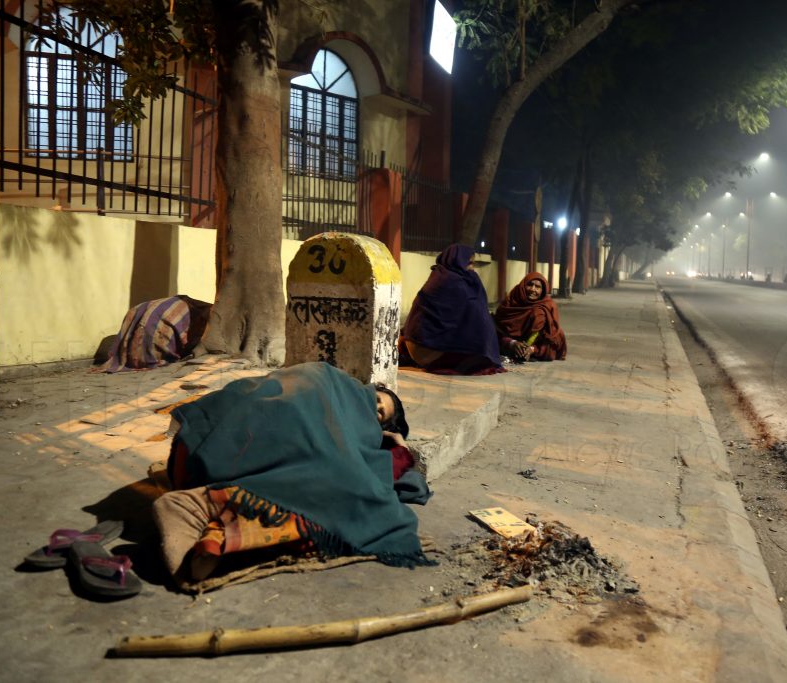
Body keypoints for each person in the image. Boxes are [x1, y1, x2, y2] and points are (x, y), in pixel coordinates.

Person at [152, 362, 431, 586]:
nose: (375, 409)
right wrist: (401, 452)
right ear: (371, 390)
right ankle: (207, 510)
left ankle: (218, 539)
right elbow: (375, 476)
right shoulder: (332, 382)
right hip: (208, 460)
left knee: (308, 483)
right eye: (379, 401)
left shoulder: (337, 402)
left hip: (189, 458)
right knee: (344, 501)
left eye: (381, 415)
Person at [398, 244, 504, 375]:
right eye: (470, 263)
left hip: (414, 347)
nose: (473, 268)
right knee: (480, 356)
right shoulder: (458, 283)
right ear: (458, 261)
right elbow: (480, 321)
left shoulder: (437, 276)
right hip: (433, 353)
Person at [94, 295, 211, 373]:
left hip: (148, 316)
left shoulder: (191, 309)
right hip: (158, 321)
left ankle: (143, 353)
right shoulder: (200, 314)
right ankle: (147, 354)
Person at [494, 272, 567, 362]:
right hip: (508, 343)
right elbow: (497, 329)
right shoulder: (511, 301)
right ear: (523, 285)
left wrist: (532, 349)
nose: (533, 289)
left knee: (540, 315)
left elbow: (552, 337)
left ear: (543, 291)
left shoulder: (547, 306)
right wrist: (512, 343)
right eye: (530, 285)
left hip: (532, 345)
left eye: (537, 287)